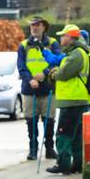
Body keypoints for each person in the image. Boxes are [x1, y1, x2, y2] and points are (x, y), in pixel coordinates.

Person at [46, 24, 90, 175]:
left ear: (70, 37)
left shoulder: (76, 54)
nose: (61, 39)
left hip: (72, 100)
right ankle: (78, 165)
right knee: (77, 136)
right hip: (78, 99)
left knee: (64, 135)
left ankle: (63, 164)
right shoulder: (80, 52)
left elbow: (63, 74)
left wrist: (53, 73)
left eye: (63, 36)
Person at [17, 16, 62, 161]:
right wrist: (30, 79)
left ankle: (49, 148)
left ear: (44, 27)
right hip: (30, 90)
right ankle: (33, 149)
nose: (34, 28)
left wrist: (45, 73)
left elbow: (57, 62)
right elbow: (21, 66)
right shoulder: (24, 45)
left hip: (48, 88)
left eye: (37, 25)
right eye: (32, 26)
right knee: (31, 121)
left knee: (49, 120)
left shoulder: (52, 43)